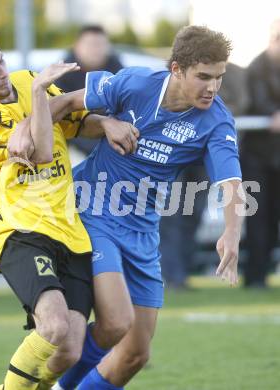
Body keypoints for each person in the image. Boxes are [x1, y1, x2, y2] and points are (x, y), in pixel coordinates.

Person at [0, 30, 138, 390]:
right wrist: (45, 100)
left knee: (67, 351)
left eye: (1, 61)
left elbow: (75, 120)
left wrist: (106, 121)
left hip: (64, 224)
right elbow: (43, 150)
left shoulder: (28, 80)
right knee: (53, 326)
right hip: (14, 227)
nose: (2, 73)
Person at [53, 25, 244, 389]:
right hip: (91, 210)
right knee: (114, 322)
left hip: (141, 227)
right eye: (203, 77)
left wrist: (231, 233)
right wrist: (105, 122)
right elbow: (62, 104)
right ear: (176, 70)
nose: (213, 87)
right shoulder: (136, 84)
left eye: (219, 77)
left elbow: (231, 181)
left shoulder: (216, 119)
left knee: (136, 354)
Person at [160, 61, 249, 289]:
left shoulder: (233, 75)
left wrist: (208, 111)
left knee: (193, 214)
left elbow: (241, 103)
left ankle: (183, 272)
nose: (211, 86)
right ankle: (172, 274)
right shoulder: (173, 69)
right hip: (176, 155)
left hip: (204, 156)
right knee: (171, 215)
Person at [241, 19, 280, 288]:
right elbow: (252, 102)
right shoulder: (256, 68)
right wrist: (271, 115)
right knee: (258, 218)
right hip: (257, 157)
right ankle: (255, 276)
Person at [55, 25, 123, 157]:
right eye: (90, 44)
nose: (95, 49)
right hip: (70, 147)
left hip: (114, 144)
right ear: (77, 46)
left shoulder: (119, 72)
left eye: (100, 44)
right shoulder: (61, 73)